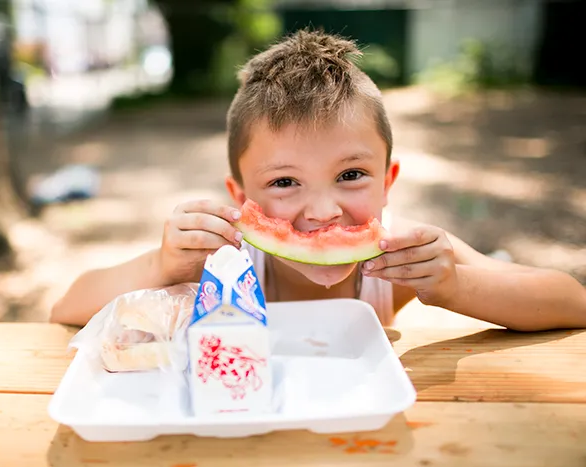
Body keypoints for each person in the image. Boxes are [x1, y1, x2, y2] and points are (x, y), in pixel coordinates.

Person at [50, 30, 586, 331]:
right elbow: (67, 308)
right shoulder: (225, 267)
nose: (324, 211)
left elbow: (569, 302)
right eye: (285, 183)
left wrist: (456, 285)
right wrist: (161, 265)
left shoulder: (400, 262)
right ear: (240, 199)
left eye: (351, 175)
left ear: (387, 181)